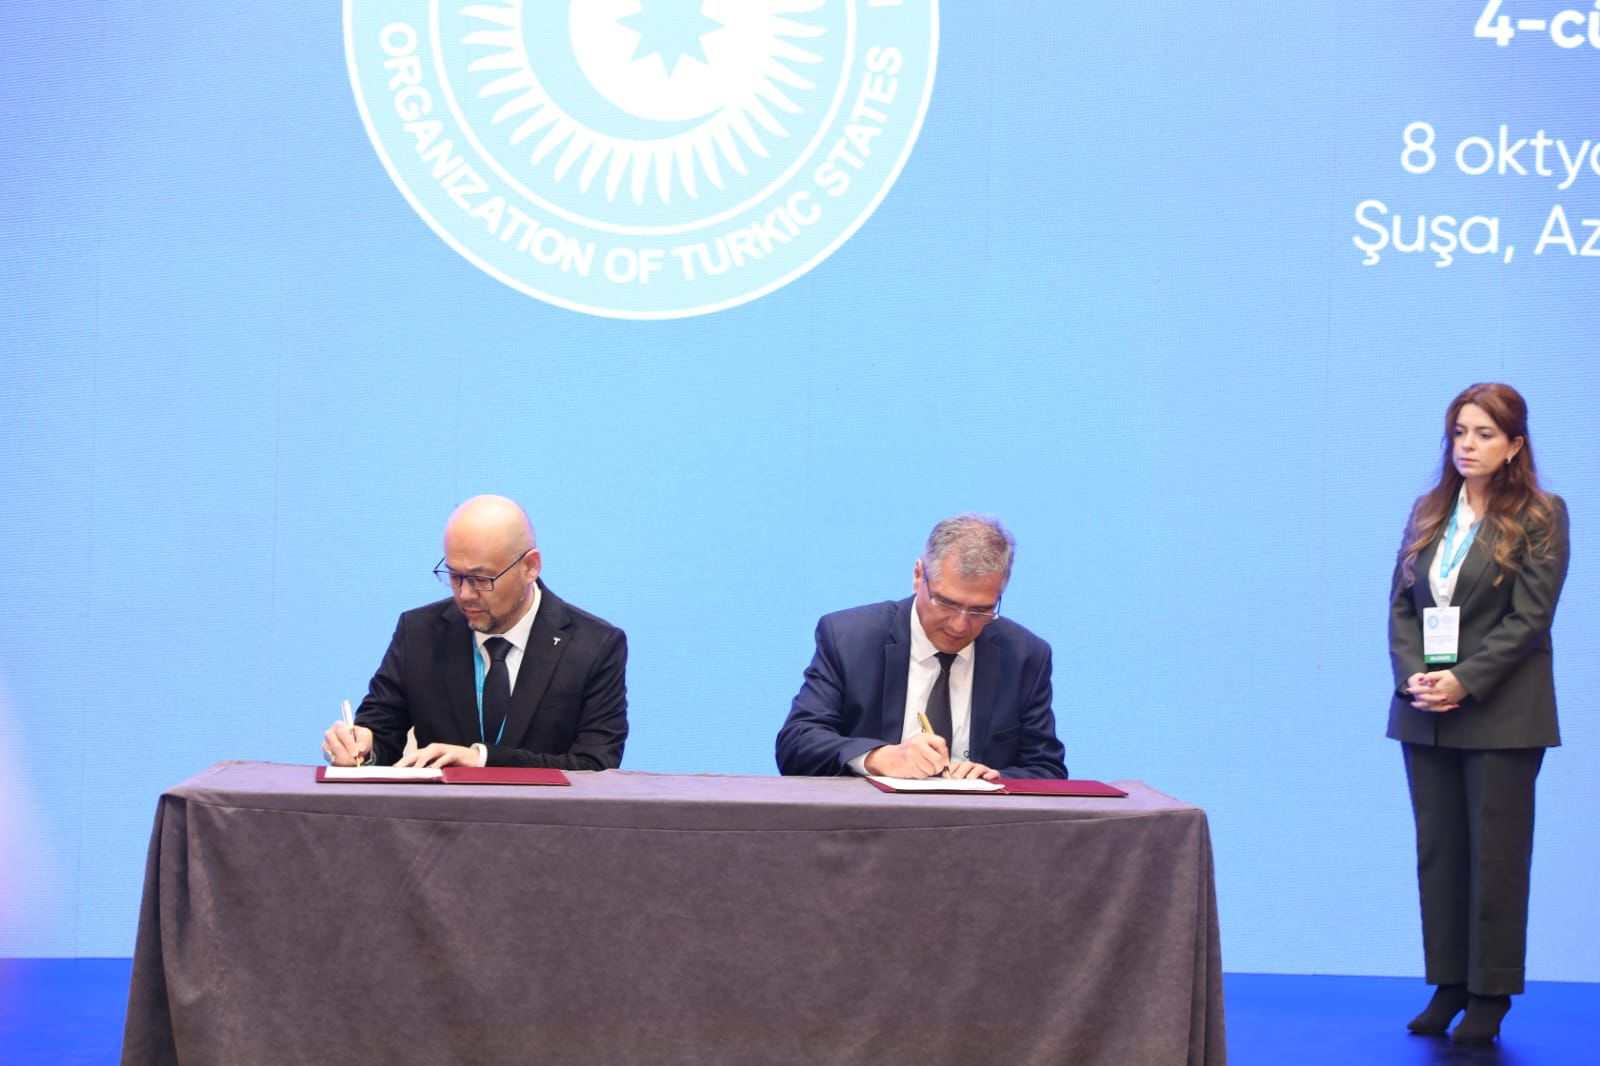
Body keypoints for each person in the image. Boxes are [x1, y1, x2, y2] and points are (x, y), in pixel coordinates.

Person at [1388, 384, 1568, 1045]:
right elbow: (1403, 606)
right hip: (1426, 711)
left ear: (1515, 444)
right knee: (1439, 852)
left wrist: (1463, 680)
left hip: (1501, 712)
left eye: (1485, 433)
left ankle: (1490, 993)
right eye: (1460, 432)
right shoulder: (1428, 511)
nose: (1468, 444)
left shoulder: (1542, 515)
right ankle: (1448, 984)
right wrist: (1417, 678)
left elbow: (1530, 618)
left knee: (1494, 855)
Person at [322, 495, 628, 770]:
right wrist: (361, 749)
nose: (465, 594)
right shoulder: (419, 633)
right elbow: (381, 734)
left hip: (547, 828)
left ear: (530, 567)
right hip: (439, 827)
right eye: (454, 575)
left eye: (482, 579)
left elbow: (595, 765)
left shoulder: (595, 646)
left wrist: (482, 759)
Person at [776, 514, 1067, 780]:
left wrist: (995, 780)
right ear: (918, 576)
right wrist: (877, 758)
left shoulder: (1025, 656)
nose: (959, 625)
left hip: (979, 831)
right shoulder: (849, 639)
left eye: (981, 610)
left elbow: (1048, 771)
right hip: (868, 828)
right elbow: (797, 743)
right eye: (947, 603)